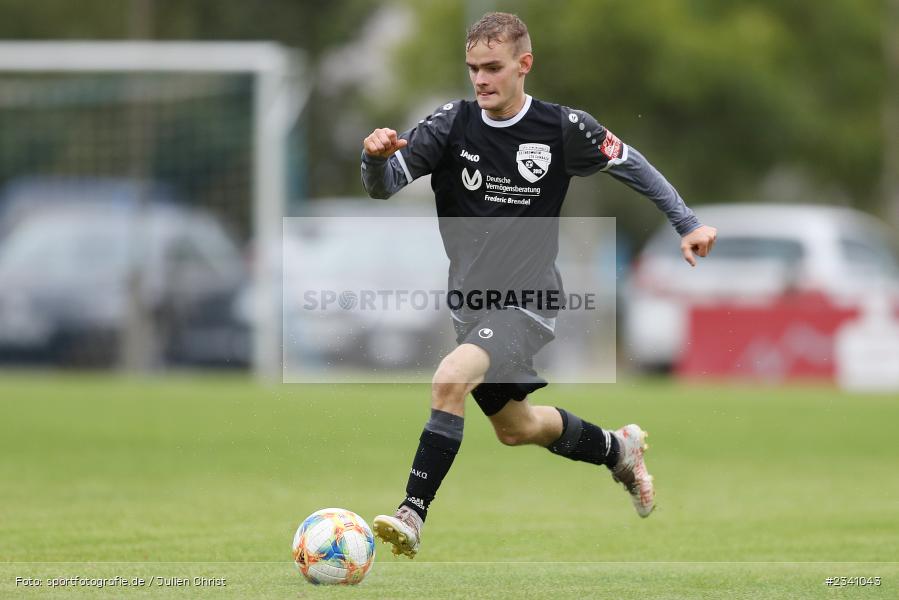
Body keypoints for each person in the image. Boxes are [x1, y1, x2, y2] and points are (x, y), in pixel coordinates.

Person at [360, 12, 717, 558]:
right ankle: (618, 449)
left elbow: (632, 164)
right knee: (517, 428)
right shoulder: (451, 125)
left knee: (449, 378)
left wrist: (686, 223)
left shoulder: (563, 128)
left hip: (529, 302)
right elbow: (383, 186)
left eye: (493, 68)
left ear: (524, 64)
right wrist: (372, 159)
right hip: (470, 307)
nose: (481, 79)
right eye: (473, 68)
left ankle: (412, 512)